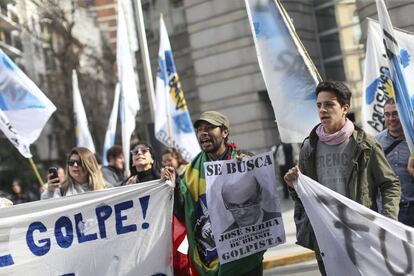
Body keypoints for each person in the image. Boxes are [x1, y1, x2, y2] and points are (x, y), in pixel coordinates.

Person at [283, 81, 400, 275]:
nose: (323, 110)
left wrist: (386, 223)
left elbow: (390, 184)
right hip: (325, 237)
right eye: (319, 105)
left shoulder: (365, 145)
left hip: (361, 235)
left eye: (329, 104)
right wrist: (292, 185)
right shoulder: (308, 148)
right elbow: (303, 199)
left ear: (345, 108)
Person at [177, 111, 265, 276]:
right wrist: (173, 186)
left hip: (246, 257)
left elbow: (265, 197)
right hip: (212, 257)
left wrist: (250, 171)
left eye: (209, 128)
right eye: (200, 129)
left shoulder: (243, 159)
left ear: (225, 132)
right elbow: (182, 211)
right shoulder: (191, 172)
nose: (203, 133)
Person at [376, 98, 414, 226]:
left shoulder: (412, 140)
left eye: (396, 113)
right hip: (388, 212)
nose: (391, 118)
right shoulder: (375, 143)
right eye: (387, 114)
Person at [41, 147, 106, 199]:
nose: (75, 165)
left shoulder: (106, 187)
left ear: (89, 165)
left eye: (79, 162)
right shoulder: (61, 190)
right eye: (71, 162)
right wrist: (50, 191)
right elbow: (46, 209)